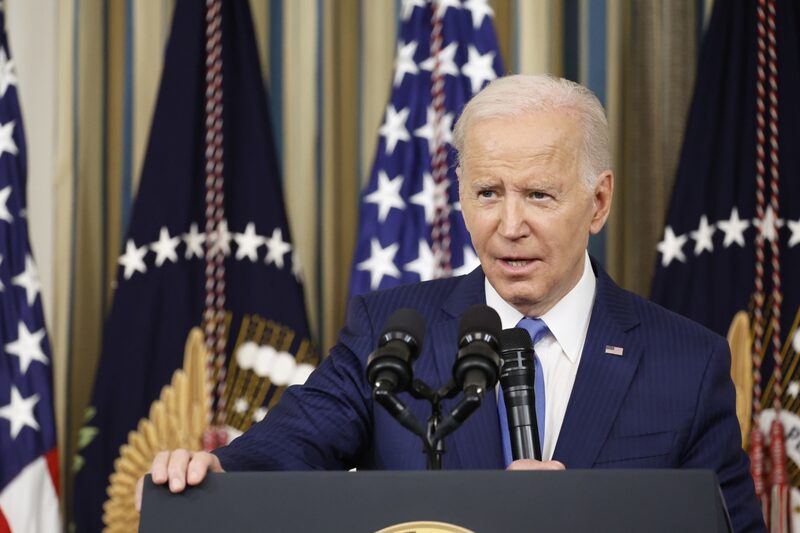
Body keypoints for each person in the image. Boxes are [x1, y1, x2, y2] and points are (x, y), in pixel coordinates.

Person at [138, 74, 764, 532]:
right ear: (460, 197)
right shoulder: (391, 331)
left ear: (597, 203)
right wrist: (216, 473)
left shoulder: (688, 362)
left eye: (540, 195)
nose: (509, 224)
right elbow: (291, 445)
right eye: (487, 192)